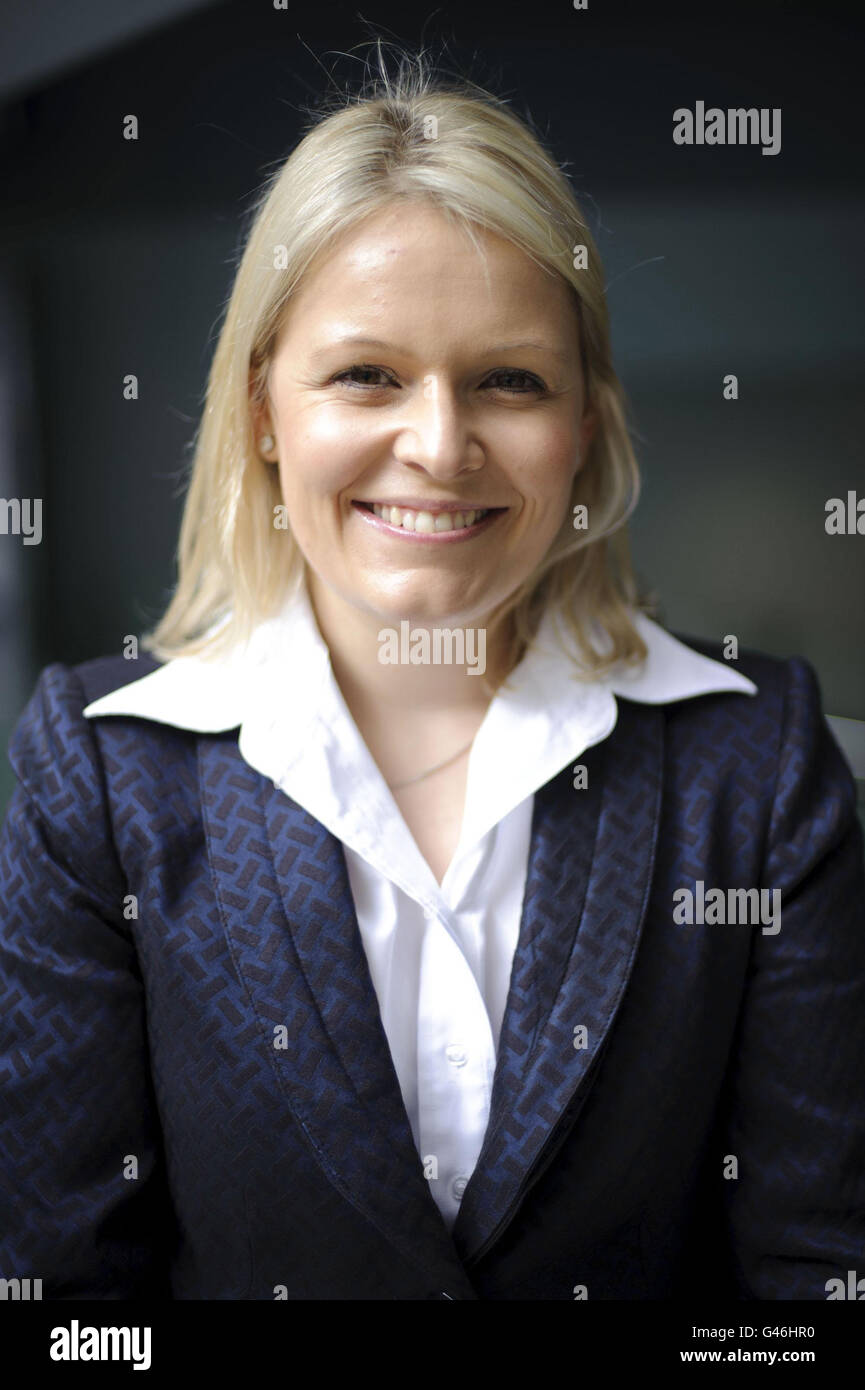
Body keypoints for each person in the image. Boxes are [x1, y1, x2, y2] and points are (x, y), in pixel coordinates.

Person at [1, 48, 864, 1302]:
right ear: (261, 412)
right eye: (368, 375)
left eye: (509, 381)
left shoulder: (760, 765)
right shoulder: (100, 774)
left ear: (583, 428)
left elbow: (817, 1282)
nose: (440, 445)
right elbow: (66, 1307)